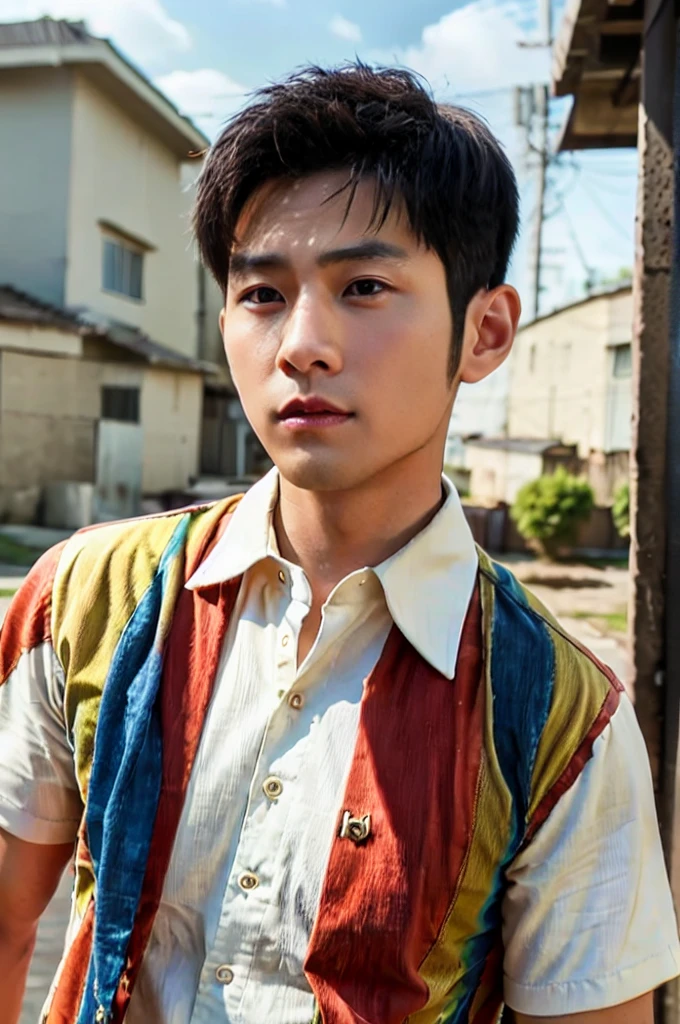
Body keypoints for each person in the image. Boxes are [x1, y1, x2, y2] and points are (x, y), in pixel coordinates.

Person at [0, 64, 677, 1024]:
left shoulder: (559, 717)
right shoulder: (88, 598)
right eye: (263, 294)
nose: (301, 345)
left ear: (485, 332)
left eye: (364, 286)